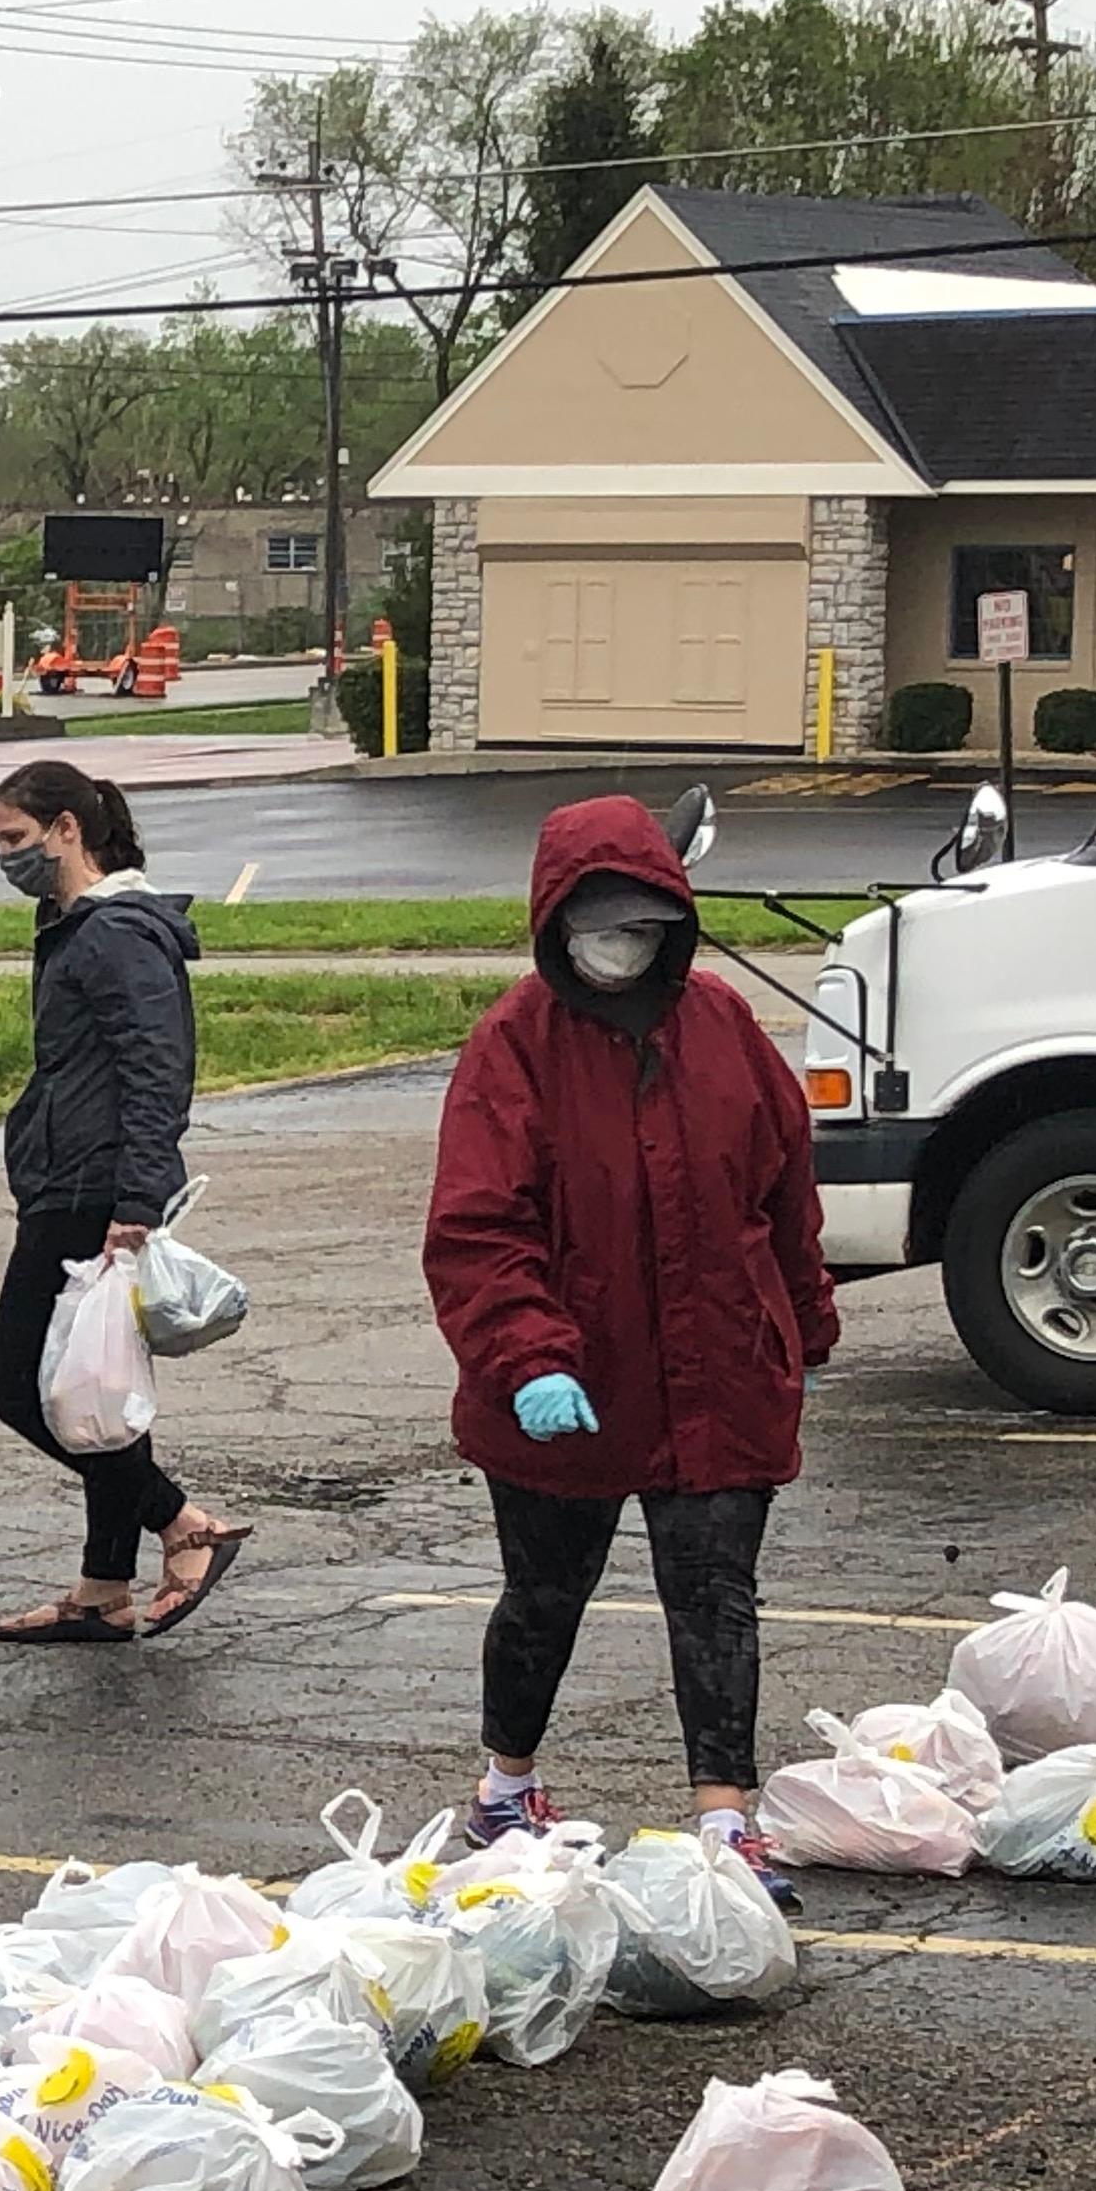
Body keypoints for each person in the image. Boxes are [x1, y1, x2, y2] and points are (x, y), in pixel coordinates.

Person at [422, 793, 837, 1906]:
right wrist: (529, 1358)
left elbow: (783, 1190)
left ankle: (725, 1820)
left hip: (721, 1376)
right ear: (555, 927)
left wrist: (806, 1317)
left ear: (671, 923)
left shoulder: (724, 1029)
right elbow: (478, 1228)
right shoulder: (515, 1043)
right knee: (544, 1595)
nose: (618, 946)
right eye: (598, 925)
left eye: (637, 924)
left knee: (715, 1595)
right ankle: (507, 1783)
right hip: (569, 1384)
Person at [0, 758, 249, 1644]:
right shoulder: (72, 926)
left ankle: (181, 1524)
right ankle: (103, 1588)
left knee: (24, 1388)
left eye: (17, 840)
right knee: (89, 1387)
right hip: (68, 1174)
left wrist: (136, 1200)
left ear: (68, 830)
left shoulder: (115, 934)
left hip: (94, 1188)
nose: (7, 859)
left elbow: (155, 1070)